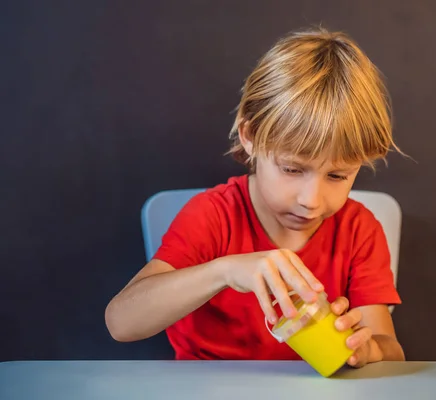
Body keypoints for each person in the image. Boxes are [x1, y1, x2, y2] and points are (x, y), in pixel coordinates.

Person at [105, 26, 406, 368]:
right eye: (292, 169)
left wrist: (369, 350)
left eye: (337, 176)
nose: (311, 199)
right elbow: (121, 322)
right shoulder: (212, 216)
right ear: (250, 137)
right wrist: (223, 271)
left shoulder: (359, 230)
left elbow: (391, 350)